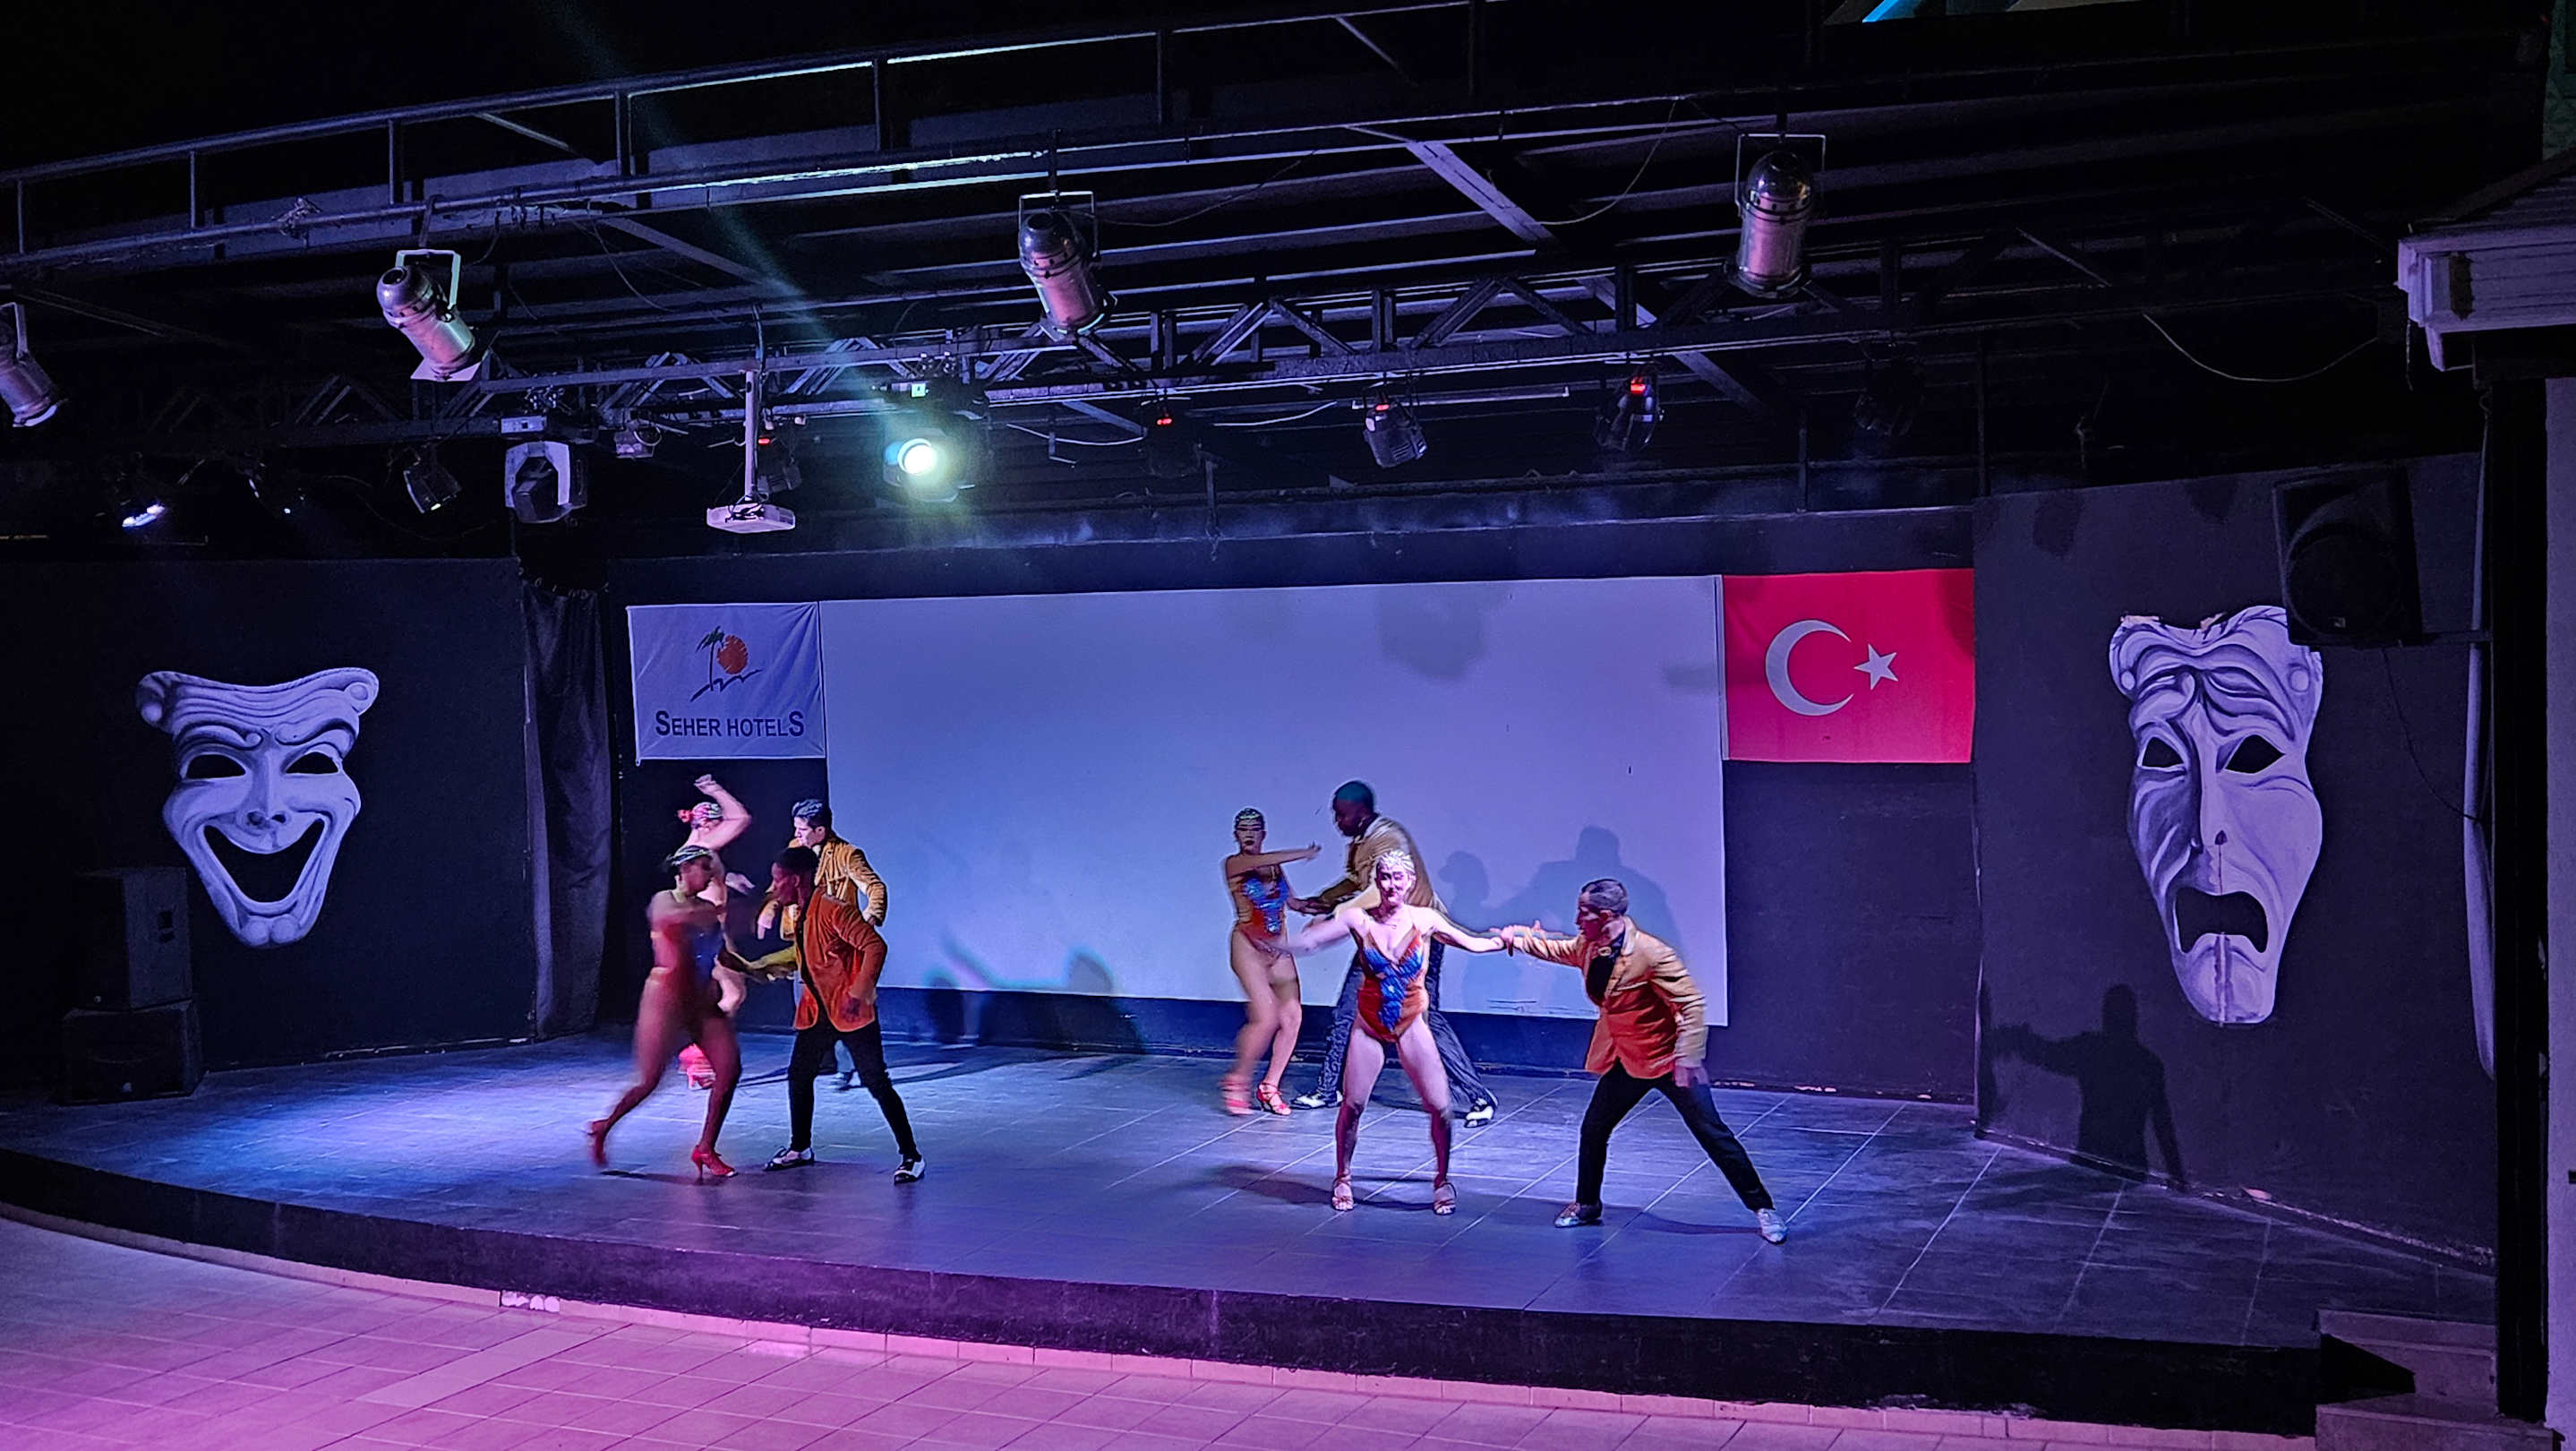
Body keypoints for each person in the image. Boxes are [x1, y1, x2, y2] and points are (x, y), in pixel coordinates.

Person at [1496, 879, 1784, 1243]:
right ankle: (1587, 1204)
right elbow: (1561, 949)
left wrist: (1687, 1057)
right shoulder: (1590, 945)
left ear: (1605, 916)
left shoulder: (1651, 953)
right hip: (1627, 1059)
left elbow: (1692, 1004)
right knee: (1594, 1128)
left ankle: (1763, 1208)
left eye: (1583, 913)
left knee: (1713, 1134)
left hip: (1668, 1060)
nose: (1577, 920)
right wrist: (1518, 940)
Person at [1268, 851, 1510, 1213]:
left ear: (1410, 881)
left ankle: (1442, 1179)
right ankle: (1343, 1175)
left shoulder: (1425, 920)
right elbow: (1311, 942)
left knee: (1441, 1108)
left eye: (1398, 877)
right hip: (1370, 1025)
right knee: (1353, 1105)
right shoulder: (1359, 919)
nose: (1391, 884)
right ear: (1376, 882)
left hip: (1411, 1023)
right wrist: (1270, 944)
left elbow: (1474, 943)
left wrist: (1511, 940)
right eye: (1384, 877)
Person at [1289, 781, 1497, 1123]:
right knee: (1347, 1012)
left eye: (1342, 815)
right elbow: (1355, 881)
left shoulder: (1389, 838)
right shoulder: (1362, 841)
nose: (1337, 822)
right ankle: (1328, 1089)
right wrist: (1323, 900)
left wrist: (1334, 917)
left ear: (1362, 813)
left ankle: (1478, 1097)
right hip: (1378, 939)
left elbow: (1375, 891)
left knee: (1424, 1019)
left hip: (1416, 940)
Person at [758, 847, 924, 1181]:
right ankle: (800, 1147)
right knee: (799, 1074)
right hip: (819, 1011)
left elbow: (875, 945)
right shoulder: (802, 913)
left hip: (850, 1010)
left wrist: (859, 991)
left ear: (796, 880)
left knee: (876, 1081)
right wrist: (759, 965)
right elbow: (806, 954)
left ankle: (912, 1156)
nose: (774, 889)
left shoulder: (833, 909)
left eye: (778, 880)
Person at [588, 846, 743, 1181]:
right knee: (649, 1080)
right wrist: (723, 907)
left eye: (711, 869)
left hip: (700, 1000)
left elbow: (719, 951)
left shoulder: (707, 909)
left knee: (729, 1069)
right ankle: (605, 1126)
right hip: (666, 999)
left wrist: (755, 967)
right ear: (685, 869)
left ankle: (705, 1147)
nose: (710, 875)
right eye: (704, 868)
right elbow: (673, 919)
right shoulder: (664, 901)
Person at [758, 799, 889, 1091]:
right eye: (796, 828)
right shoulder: (795, 848)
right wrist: (769, 908)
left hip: (835, 943)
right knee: (809, 1003)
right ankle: (823, 1061)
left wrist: (868, 919)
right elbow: (779, 885)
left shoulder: (847, 854)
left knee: (843, 1005)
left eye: (803, 829)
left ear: (820, 830)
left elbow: (875, 887)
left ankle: (852, 1066)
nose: (797, 834)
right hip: (804, 937)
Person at [1220, 809, 1322, 1116]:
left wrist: (1326, 906)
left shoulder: (1274, 867)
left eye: (1255, 830)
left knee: (1292, 1017)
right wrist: (1303, 853)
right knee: (1265, 1018)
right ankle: (1237, 1081)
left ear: (1263, 833)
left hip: (1278, 948)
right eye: (1243, 830)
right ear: (1236, 835)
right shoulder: (1234, 864)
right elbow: (1261, 861)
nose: (1249, 835)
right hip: (1248, 946)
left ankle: (1270, 1086)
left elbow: (1293, 902)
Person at [674, 777, 755, 1090]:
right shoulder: (703, 848)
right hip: (709, 936)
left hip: (705, 936)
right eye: (718, 824)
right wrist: (714, 789)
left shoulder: (693, 852)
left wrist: (729, 879)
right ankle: (696, 1053)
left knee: (723, 996)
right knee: (733, 995)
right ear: (708, 825)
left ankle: (701, 1056)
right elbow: (741, 818)